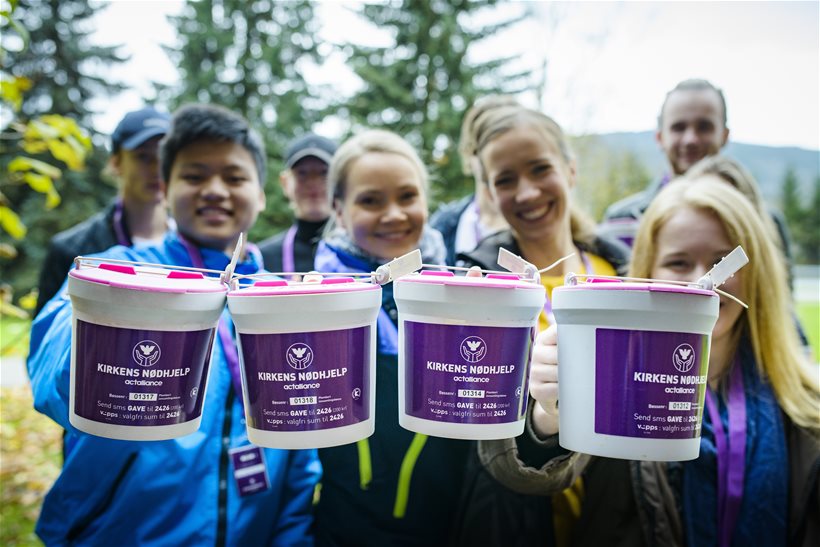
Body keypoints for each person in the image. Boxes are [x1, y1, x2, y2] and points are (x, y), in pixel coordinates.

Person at [28, 104, 320, 546]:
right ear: (165, 189)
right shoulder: (120, 274)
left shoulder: (280, 302)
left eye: (235, 177)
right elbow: (52, 366)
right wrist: (103, 340)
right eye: (195, 175)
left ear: (261, 193)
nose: (215, 190)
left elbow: (301, 441)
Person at [481, 178, 820, 546]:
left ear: (757, 275)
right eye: (679, 262)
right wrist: (548, 415)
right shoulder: (610, 376)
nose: (700, 282)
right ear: (649, 268)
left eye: (721, 262)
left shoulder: (805, 403)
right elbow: (526, 477)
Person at [449, 102, 629, 545]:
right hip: (512, 518)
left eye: (539, 169)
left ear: (570, 170)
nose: (526, 192)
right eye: (505, 179)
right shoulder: (474, 281)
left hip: (617, 512)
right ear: (488, 192)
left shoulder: (623, 273)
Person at [310, 128, 472, 545]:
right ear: (338, 210)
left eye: (407, 197)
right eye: (370, 200)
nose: (394, 214)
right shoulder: (310, 300)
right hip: (337, 529)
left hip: (444, 526)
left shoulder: (458, 292)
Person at [35, 106, 173, 316]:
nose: (157, 169)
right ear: (116, 162)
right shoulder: (71, 251)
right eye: (143, 157)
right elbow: (45, 338)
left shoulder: (198, 246)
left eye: (165, 156)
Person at [600, 79, 729, 247]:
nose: (690, 139)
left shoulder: (762, 220)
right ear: (660, 137)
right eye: (679, 127)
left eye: (704, 127)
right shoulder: (621, 222)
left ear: (724, 136)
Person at [429, 95, 511, 265]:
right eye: (484, 147)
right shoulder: (444, 227)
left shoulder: (537, 225)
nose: (496, 162)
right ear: (468, 154)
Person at [259, 133, 337, 275]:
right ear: (285, 182)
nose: (313, 183)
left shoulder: (364, 251)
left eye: (324, 173)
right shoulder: (261, 260)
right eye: (302, 173)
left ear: (339, 181)